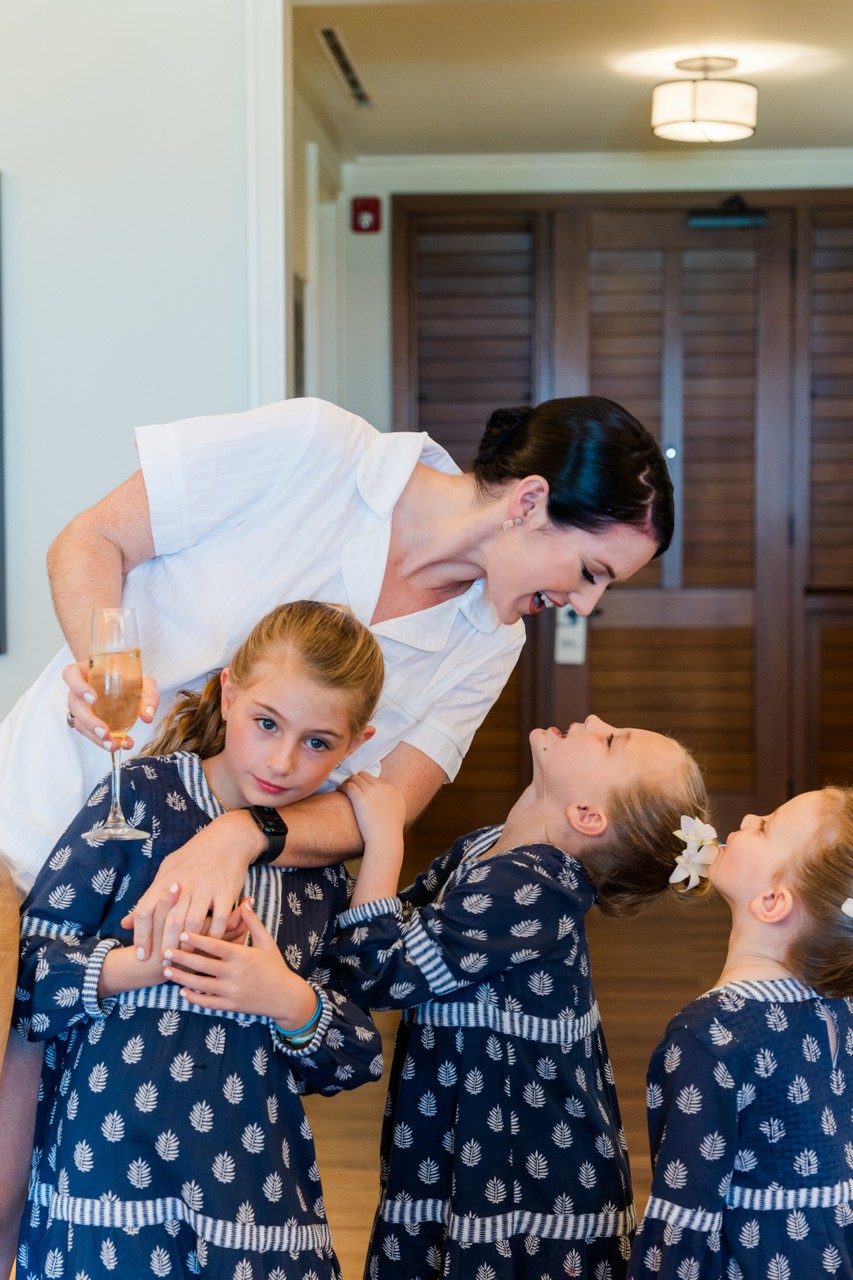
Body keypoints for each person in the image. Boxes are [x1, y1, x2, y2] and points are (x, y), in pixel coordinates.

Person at [0, 395, 673, 957]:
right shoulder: (314, 447)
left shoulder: (489, 645)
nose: (583, 606)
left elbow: (379, 807)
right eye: (589, 573)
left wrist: (237, 837)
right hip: (35, 825)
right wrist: (106, 665)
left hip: (170, 915)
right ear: (528, 501)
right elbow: (92, 540)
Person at [166, 714, 711, 1279]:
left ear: (588, 817)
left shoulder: (539, 887)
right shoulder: (488, 848)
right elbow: (384, 930)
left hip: (527, 1176)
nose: (596, 721)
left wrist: (384, 837)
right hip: (460, 1142)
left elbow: (377, 970)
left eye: (611, 740)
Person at [11, 600, 398, 1280]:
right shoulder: (137, 798)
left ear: (357, 744)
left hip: (257, 1210)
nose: (283, 760)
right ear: (229, 691)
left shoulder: (319, 866)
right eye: (266, 723)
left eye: (317, 742)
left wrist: (287, 1000)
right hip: (104, 1189)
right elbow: (27, 978)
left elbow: (354, 1056)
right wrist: (141, 965)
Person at [627, 788, 853, 1280]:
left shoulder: (708, 1038)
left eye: (766, 825)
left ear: (771, 902)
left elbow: (683, 1216)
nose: (748, 816)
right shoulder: (839, 1009)